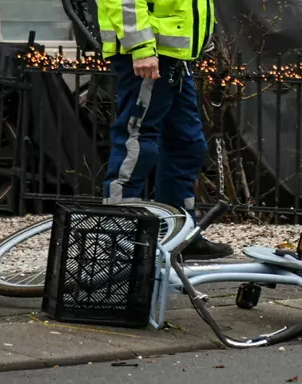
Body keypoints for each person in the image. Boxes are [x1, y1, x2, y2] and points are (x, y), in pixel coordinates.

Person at [97, 0, 233, 260]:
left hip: (174, 58)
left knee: (188, 145)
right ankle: (117, 237)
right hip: (150, 55)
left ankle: (180, 236)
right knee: (136, 143)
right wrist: (141, 47)